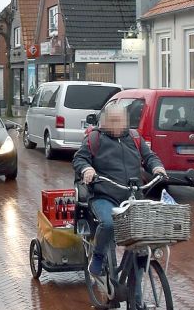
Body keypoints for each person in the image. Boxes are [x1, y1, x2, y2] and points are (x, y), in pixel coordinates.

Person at [72, 104, 166, 281]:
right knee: (108, 223)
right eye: (113, 120)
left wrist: (157, 167)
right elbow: (79, 158)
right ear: (105, 121)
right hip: (104, 195)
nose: (117, 124)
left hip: (132, 197)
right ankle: (98, 257)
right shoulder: (94, 138)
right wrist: (87, 170)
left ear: (126, 121)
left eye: (120, 120)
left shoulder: (135, 137)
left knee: (142, 241)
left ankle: (136, 299)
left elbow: (149, 156)